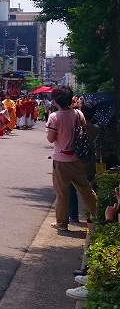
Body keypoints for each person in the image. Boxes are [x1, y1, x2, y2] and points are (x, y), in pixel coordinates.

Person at [45, 85, 98, 232]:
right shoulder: (78, 114)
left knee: (62, 193)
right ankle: (98, 215)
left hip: (61, 160)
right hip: (77, 159)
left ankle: (62, 223)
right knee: (86, 189)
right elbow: (83, 130)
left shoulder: (54, 117)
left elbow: (50, 139)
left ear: (56, 101)